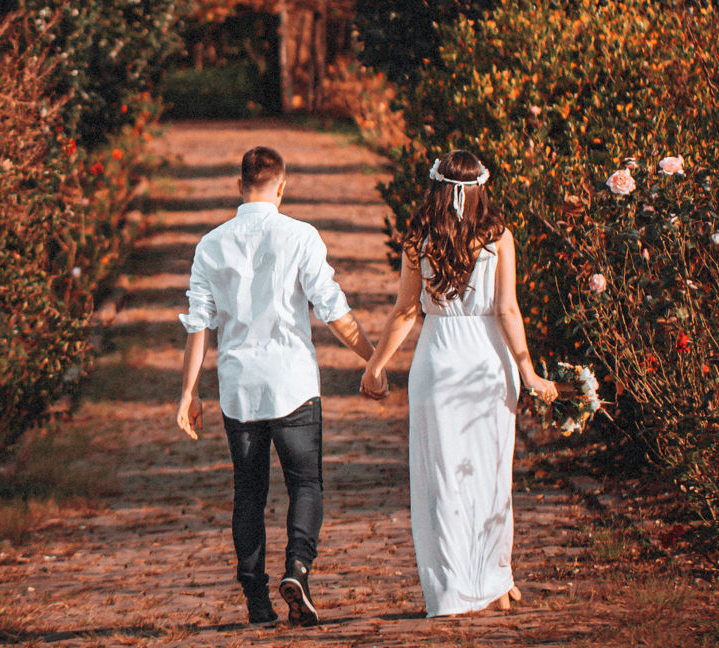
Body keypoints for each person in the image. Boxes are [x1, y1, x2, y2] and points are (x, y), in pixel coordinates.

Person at [176, 145, 376, 627]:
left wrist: (188, 392)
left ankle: (255, 598)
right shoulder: (301, 237)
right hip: (293, 385)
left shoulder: (211, 245)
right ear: (282, 186)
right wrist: (374, 359)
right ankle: (298, 570)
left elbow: (198, 325)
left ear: (238, 185)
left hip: (239, 388)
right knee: (305, 482)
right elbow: (332, 308)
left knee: (249, 492)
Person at [359, 148, 558, 617]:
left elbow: (406, 311)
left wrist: (377, 365)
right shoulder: (499, 237)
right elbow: (508, 310)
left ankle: (451, 589)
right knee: (491, 477)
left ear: (436, 187)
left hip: (439, 363)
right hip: (489, 363)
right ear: (481, 188)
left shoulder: (417, 241)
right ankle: (496, 578)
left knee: (442, 479)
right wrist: (527, 372)